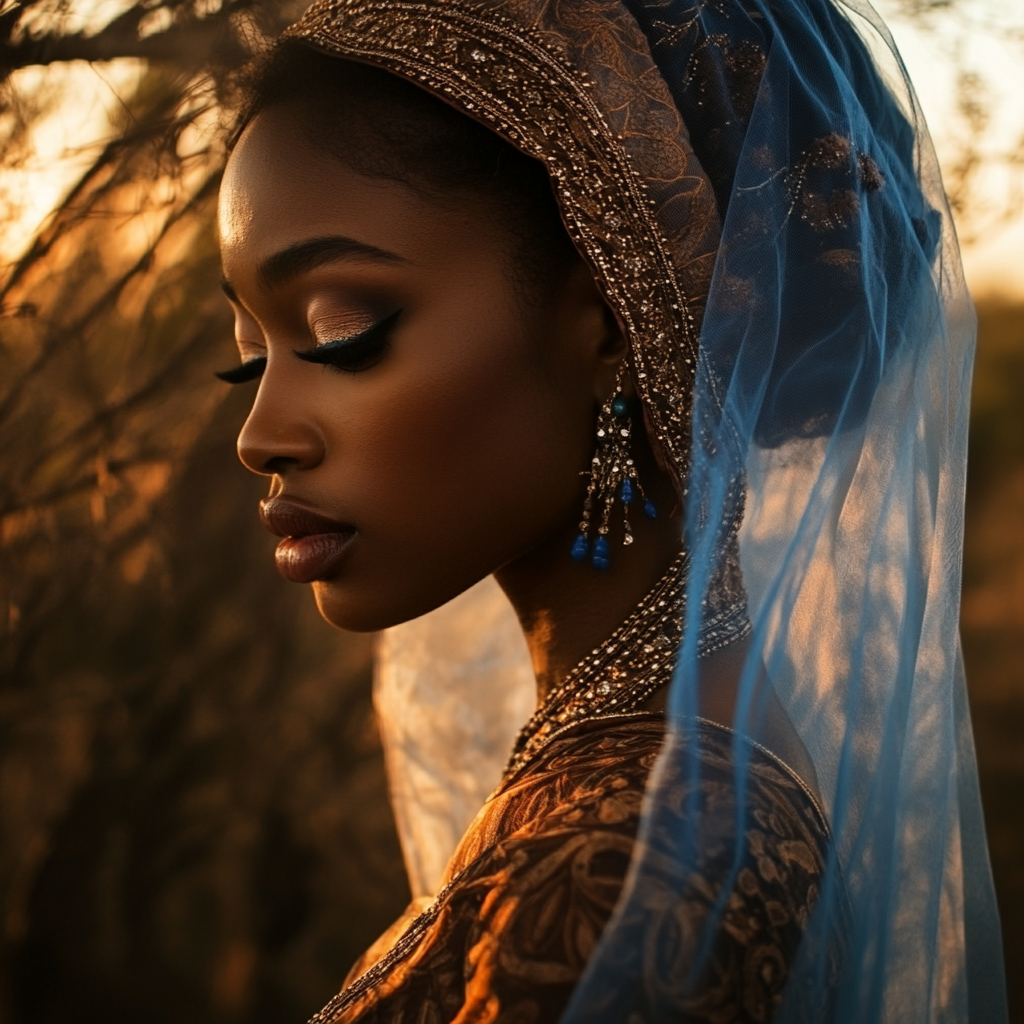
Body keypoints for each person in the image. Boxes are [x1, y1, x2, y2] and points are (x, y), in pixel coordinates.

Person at [214, 0, 1007, 1020]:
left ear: (607, 330)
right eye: (246, 353)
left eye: (340, 329)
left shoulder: (620, 867)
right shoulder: (640, 790)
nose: (261, 433)